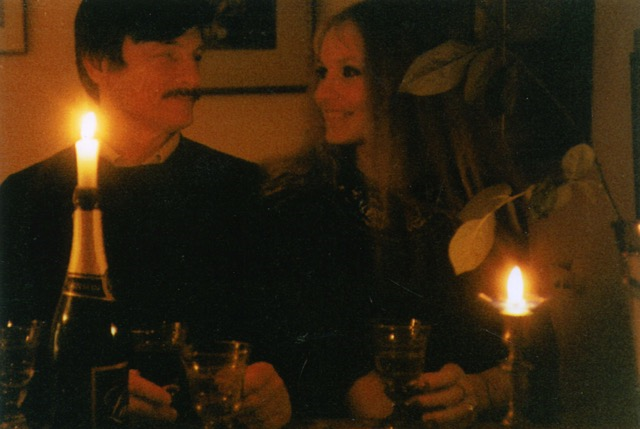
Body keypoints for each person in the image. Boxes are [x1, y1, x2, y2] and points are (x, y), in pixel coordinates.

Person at [264, 0, 559, 427]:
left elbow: (537, 353)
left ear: (407, 82)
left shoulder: (480, 203)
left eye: (349, 72)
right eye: (322, 72)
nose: (322, 94)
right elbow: (292, 354)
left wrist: (482, 391)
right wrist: (353, 390)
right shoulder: (299, 208)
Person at [0, 1, 291, 428]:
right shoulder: (25, 198)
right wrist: (84, 394)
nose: (192, 79)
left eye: (196, 57)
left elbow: (287, 346)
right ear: (98, 63)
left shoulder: (248, 190)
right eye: (167, 56)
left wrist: (279, 393)